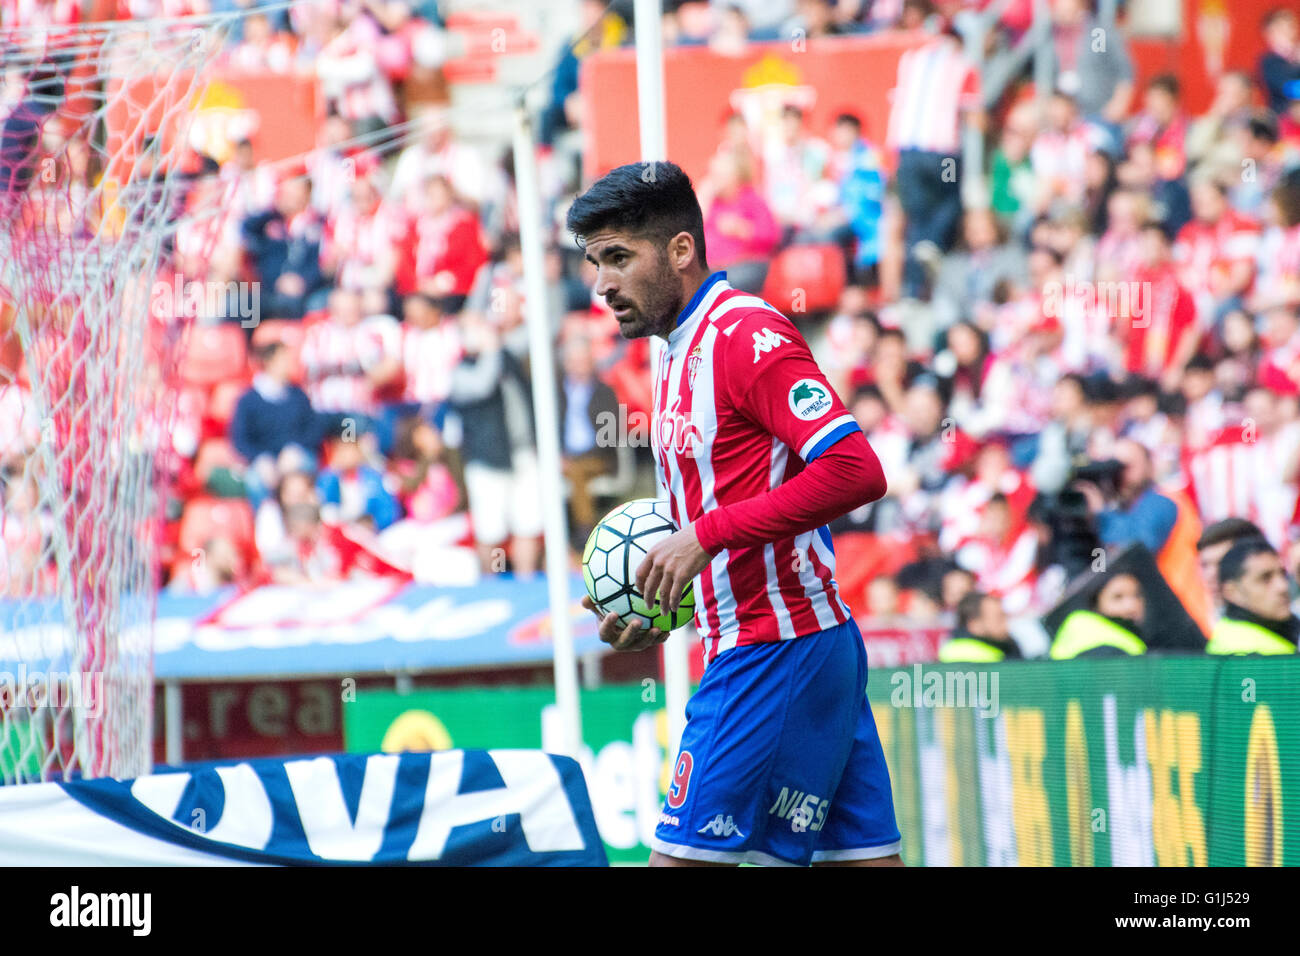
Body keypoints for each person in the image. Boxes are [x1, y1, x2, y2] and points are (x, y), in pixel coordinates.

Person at [566, 160, 901, 867]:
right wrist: (659, 603)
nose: (603, 284)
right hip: (800, 643)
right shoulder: (675, 354)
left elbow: (856, 471)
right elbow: (725, 511)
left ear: (681, 250)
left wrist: (704, 537)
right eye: (595, 263)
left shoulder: (745, 336)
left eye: (619, 257)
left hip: (771, 651)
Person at [1206, 538, 1299, 654]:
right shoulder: (1243, 654)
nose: (1282, 587)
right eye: (1265, 578)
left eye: (1283, 574)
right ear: (1231, 592)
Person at [1049, 571, 1148, 658]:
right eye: (1118, 597)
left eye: (1137, 595)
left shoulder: (1077, 624)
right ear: (1096, 602)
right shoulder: (1101, 644)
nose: (1131, 606)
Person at [938, 591, 1022, 662]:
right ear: (974, 624)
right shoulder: (965, 658)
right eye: (999, 618)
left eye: (1005, 616)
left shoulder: (1007, 647)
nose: (1006, 624)